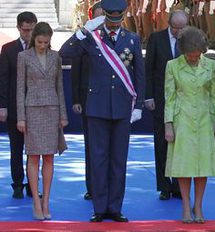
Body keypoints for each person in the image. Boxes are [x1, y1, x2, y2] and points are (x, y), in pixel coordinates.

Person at [59, 0, 146, 222]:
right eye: (111, 20)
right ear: (104, 17)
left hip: (122, 106)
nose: (115, 25)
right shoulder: (92, 38)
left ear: (123, 16)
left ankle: (115, 207)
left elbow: (139, 75)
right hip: (96, 107)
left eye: (118, 20)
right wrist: (84, 30)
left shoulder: (132, 39)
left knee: (118, 159)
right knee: (98, 159)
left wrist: (138, 105)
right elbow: (64, 52)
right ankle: (99, 207)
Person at [164, 26, 215, 224]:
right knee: (184, 166)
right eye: (190, 55)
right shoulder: (172, 66)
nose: (194, 58)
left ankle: (199, 206)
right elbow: (169, 97)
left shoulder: (211, 65)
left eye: (197, 55)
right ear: (183, 51)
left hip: (205, 119)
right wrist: (168, 124)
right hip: (183, 119)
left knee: (202, 166)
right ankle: (186, 207)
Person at [16, 22, 66, 221]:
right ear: (34, 38)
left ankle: (46, 201)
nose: (43, 45)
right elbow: (20, 88)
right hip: (32, 111)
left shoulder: (56, 57)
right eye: (39, 42)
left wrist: (63, 114)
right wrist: (21, 116)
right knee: (33, 156)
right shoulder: (23, 57)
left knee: (49, 157)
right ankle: (36, 202)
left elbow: (60, 87)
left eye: (46, 42)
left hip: (52, 110)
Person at [145, 10, 188, 201]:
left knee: (181, 144)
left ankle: (180, 186)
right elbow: (149, 69)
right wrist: (148, 96)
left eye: (182, 28)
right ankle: (164, 185)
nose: (179, 31)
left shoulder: (190, 39)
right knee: (162, 142)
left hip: (184, 100)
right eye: (176, 28)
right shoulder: (156, 38)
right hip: (161, 98)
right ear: (169, 24)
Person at [0, 11, 37, 200]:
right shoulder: (8, 49)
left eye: (32, 30)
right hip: (15, 108)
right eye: (25, 30)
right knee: (16, 149)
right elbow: (3, 79)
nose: (28, 34)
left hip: (36, 109)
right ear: (18, 28)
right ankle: (17, 184)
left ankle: (32, 185)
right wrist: (2, 106)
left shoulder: (42, 47)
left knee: (34, 150)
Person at [71, 3, 104, 201]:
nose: (100, 23)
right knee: (91, 146)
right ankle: (92, 187)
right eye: (97, 19)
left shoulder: (118, 39)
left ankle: (108, 187)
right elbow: (76, 70)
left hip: (110, 100)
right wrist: (76, 98)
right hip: (88, 98)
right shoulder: (84, 39)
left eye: (104, 18)